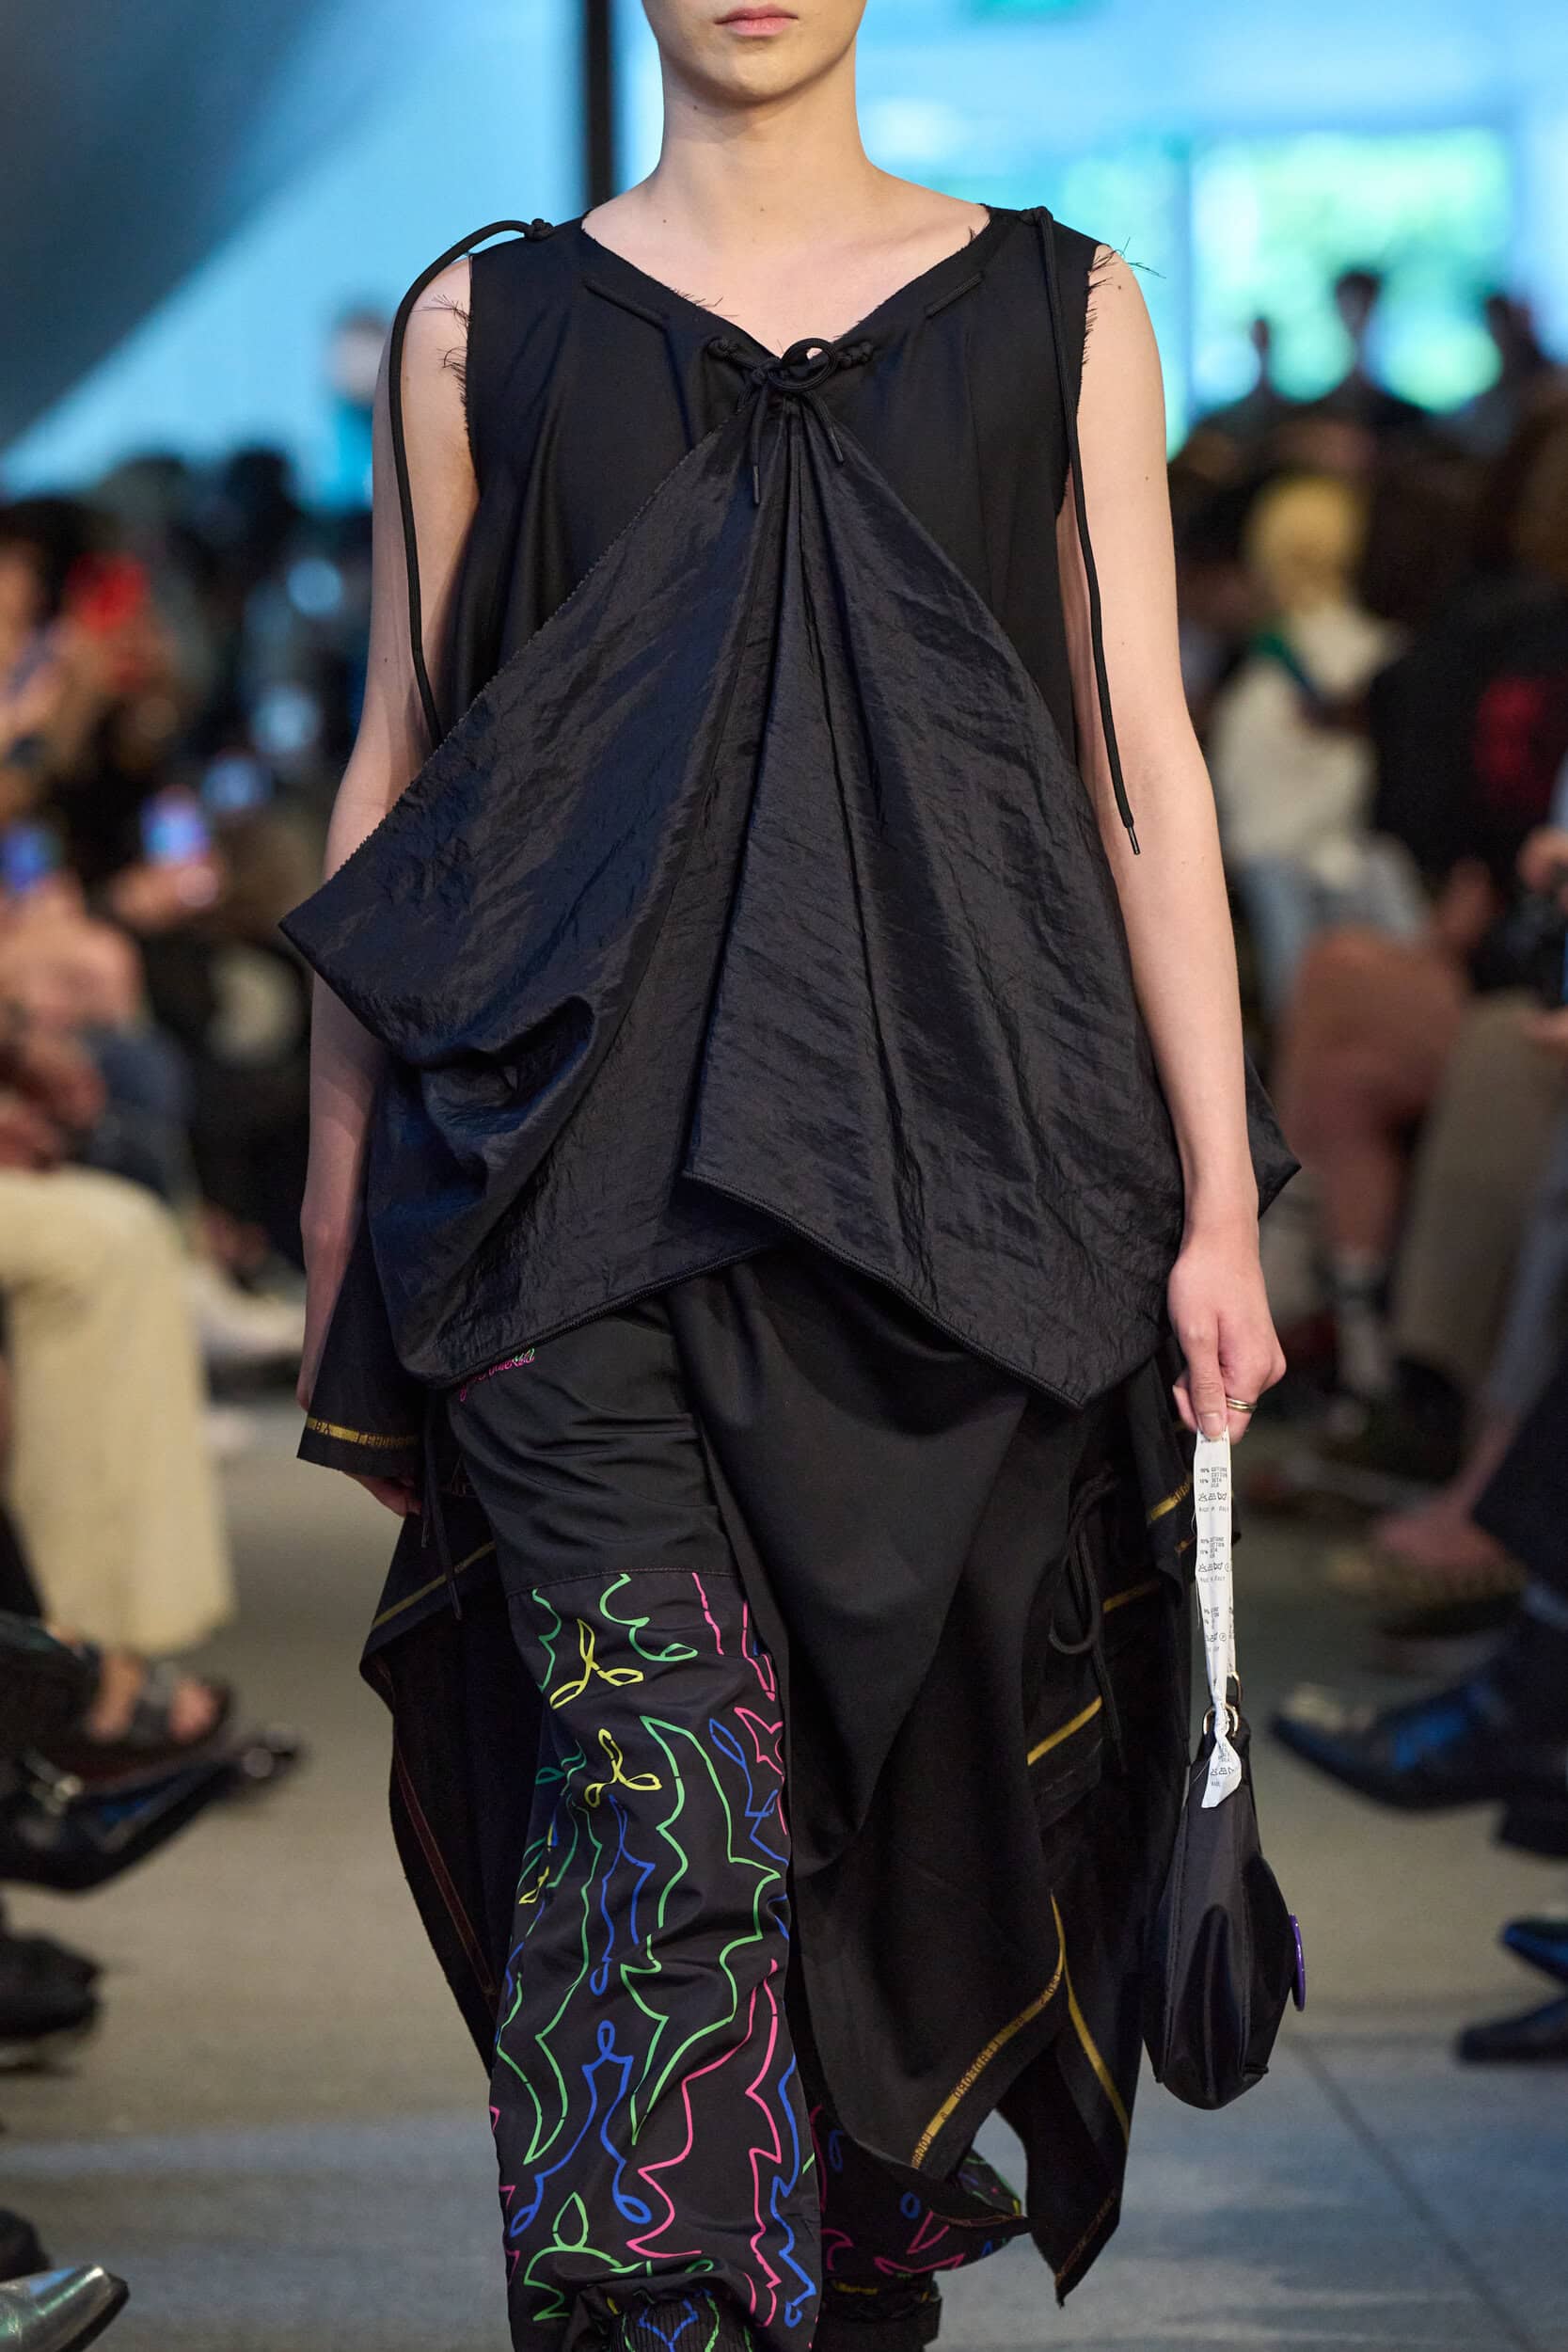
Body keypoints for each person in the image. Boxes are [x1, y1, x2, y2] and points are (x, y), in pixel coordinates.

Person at [287, 5, 1293, 2346]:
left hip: (969, 1204)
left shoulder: (1062, 309)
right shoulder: (482, 328)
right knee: (666, 1790)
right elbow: (404, 761)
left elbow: (1137, 758)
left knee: (890, 1850)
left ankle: (830, 2291)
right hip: (556, 1194)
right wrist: (343, 1199)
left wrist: (1221, 1204)